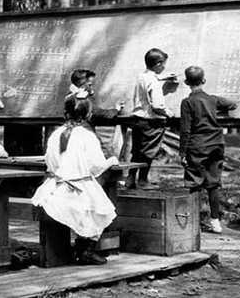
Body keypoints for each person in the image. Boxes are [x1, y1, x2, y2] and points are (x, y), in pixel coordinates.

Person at [31, 94, 118, 265]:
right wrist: (111, 161)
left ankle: (79, 247)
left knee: (91, 204)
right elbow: (96, 166)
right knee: (102, 207)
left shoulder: (55, 134)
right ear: (88, 115)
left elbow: (50, 161)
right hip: (76, 187)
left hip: (54, 188)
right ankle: (86, 249)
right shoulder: (87, 136)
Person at [179, 66, 237, 234]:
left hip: (197, 146)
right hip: (216, 144)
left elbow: (185, 130)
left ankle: (193, 223)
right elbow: (232, 104)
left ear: (186, 82)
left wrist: (182, 152)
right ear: (203, 81)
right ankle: (215, 222)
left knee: (194, 184)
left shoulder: (187, 102)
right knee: (213, 185)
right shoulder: (212, 99)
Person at [126, 48, 176, 190]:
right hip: (151, 122)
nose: (164, 67)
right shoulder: (154, 83)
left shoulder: (142, 76)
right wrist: (168, 113)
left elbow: (150, 79)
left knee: (137, 151)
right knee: (149, 152)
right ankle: (142, 180)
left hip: (138, 119)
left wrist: (163, 77)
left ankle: (130, 178)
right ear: (159, 64)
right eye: (163, 64)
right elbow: (157, 106)